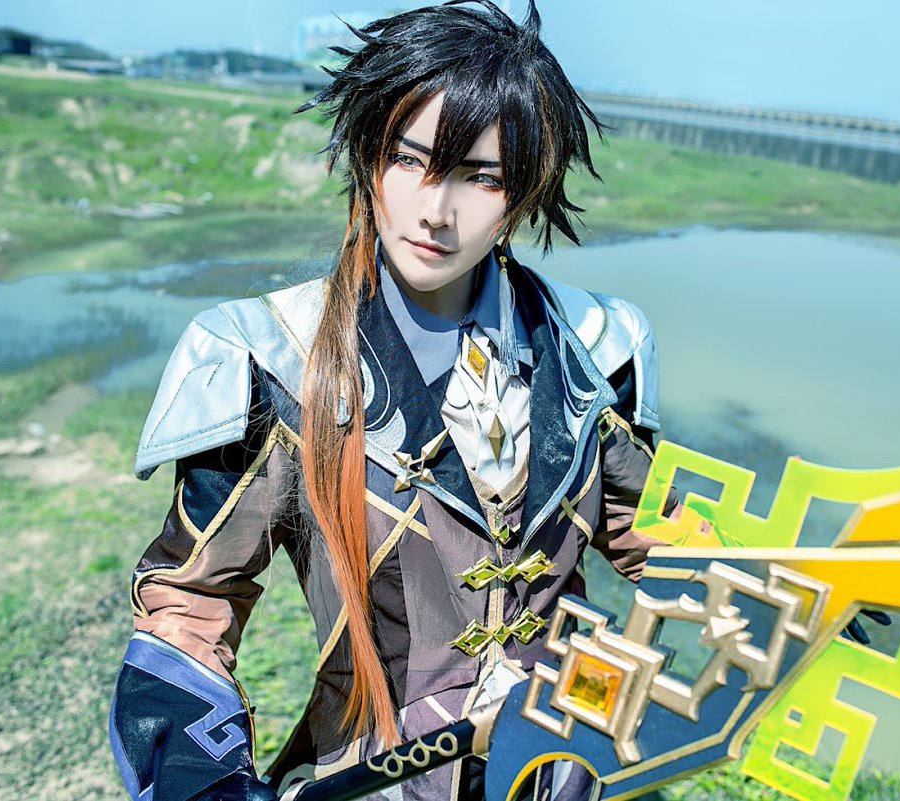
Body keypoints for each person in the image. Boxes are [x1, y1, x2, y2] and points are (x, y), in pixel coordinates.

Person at [107, 2, 677, 799]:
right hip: (376, 776)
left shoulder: (595, 346)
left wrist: (793, 591)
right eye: (410, 160)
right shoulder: (275, 357)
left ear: (522, 192)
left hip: (563, 770)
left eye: (481, 176)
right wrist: (202, 781)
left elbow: (663, 543)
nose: (436, 209)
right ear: (367, 153)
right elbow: (190, 602)